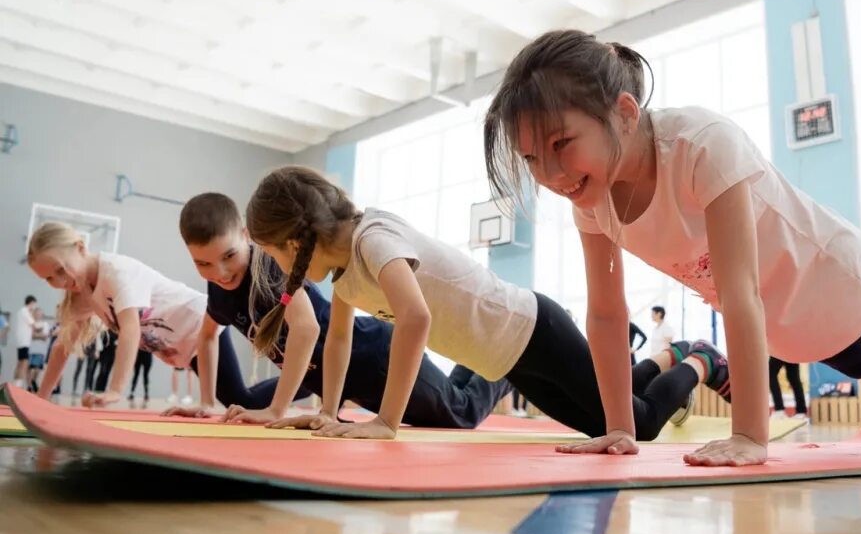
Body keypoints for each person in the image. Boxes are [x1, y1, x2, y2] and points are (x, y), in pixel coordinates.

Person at [482, 29, 861, 466]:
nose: (551, 175)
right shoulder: (591, 201)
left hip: (834, 277)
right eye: (531, 159)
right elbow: (607, 315)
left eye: (560, 144)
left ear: (623, 113)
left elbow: (741, 287)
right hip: (780, 323)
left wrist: (750, 435)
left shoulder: (702, 144)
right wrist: (620, 427)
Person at [243, 167, 728, 444]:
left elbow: (415, 318)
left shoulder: (373, 237)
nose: (274, 265)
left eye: (272, 253)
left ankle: (700, 358)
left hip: (533, 328)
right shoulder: (346, 275)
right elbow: (339, 341)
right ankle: (664, 364)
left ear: (294, 241)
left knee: (636, 426)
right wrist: (328, 411)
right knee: (608, 415)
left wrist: (386, 422)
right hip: (506, 360)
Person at [175, 192, 511, 429]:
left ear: (246, 237)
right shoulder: (219, 287)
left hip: (373, 359)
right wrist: (207, 401)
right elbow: (207, 336)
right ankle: (479, 363)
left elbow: (306, 330)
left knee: (463, 413)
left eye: (229, 256)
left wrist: (278, 408)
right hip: (331, 376)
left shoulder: (269, 265)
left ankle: (510, 368)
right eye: (203, 263)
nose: (220, 272)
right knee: (245, 404)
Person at [25, 222, 278, 411]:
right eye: (48, 278)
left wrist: (115, 390)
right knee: (239, 401)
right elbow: (62, 348)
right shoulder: (80, 294)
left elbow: (130, 330)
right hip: (184, 346)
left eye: (60, 269)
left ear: (81, 248)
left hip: (199, 324)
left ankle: (311, 381)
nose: (59, 281)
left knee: (244, 403)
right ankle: (309, 380)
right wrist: (41, 401)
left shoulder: (116, 272)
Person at [14, 295, 40, 389]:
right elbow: (34, 325)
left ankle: (17, 383)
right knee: (24, 362)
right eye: (34, 305)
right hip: (23, 341)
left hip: (22, 341)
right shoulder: (25, 311)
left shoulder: (22, 312)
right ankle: (18, 384)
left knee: (20, 362)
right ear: (31, 303)